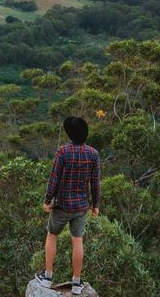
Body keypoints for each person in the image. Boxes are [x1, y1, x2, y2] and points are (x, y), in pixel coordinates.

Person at [34, 116, 101, 295]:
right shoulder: (93, 154)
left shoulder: (63, 152)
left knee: (52, 235)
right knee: (77, 241)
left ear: (70, 134)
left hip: (62, 205)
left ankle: (47, 278)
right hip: (81, 207)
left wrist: (47, 201)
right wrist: (96, 205)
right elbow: (95, 183)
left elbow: (54, 179)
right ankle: (77, 283)